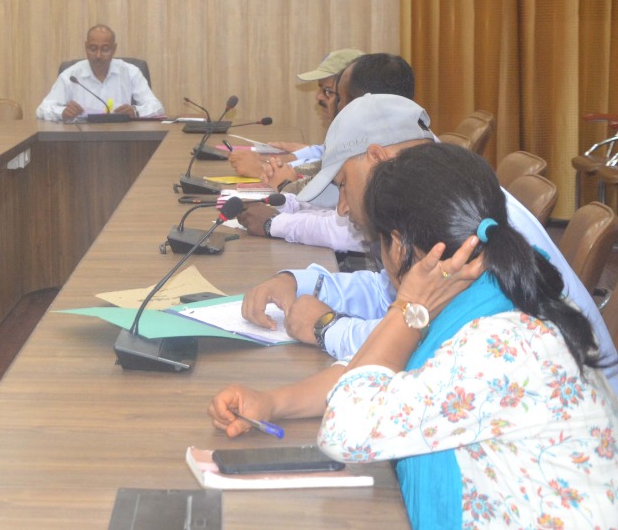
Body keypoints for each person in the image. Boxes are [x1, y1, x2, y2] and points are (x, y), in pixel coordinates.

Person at [210, 143, 618, 528]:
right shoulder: (484, 292)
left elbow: (347, 429)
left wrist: (406, 306)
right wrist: (273, 403)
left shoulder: (503, 340)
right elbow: (374, 374)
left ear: (400, 245)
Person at [236, 93, 618, 392]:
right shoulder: (440, 200)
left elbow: (422, 341)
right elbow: (391, 293)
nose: (341, 207)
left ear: (377, 158)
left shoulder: (463, 222)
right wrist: (299, 281)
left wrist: (327, 327)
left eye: (343, 185)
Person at [237, 53, 417, 240]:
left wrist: (273, 223)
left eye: (338, 98)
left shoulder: (402, 162)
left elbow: (353, 233)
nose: (335, 105)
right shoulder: (386, 142)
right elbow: (330, 205)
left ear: (359, 104)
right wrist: (285, 203)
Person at [227, 47, 361, 179]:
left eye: (327, 91)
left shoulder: (363, 136)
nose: (318, 97)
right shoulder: (346, 130)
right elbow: (324, 153)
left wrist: (263, 168)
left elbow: (327, 176)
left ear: (352, 94)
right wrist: (281, 159)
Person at [35, 25, 164, 121]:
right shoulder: (71, 76)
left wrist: (135, 111)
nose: (98, 55)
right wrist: (62, 112)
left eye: (105, 49)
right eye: (93, 49)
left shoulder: (130, 72)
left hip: (122, 139)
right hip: (81, 140)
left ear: (114, 49)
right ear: (86, 47)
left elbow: (157, 107)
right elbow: (42, 109)